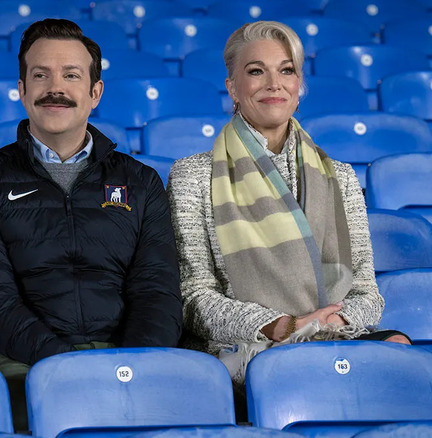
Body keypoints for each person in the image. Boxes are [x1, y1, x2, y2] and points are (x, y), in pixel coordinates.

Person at [0, 18, 183, 432]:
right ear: (22, 89)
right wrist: (70, 368)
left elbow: (158, 293)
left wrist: (129, 367)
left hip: (129, 363)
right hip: (19, 367)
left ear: (95, 93)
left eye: (71, 75)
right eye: (40, 75)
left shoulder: (141, 182)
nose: (55, 88)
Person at [167, 21, 409, 387]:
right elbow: (194, 298)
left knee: (398, 348)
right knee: (288, 369)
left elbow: (365, 290)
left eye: (286, 70)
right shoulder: (193, 176)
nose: (273, 83)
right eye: (255, 72)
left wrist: (328, 323)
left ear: (298, 89)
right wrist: (284, 326)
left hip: (330, 334)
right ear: (232, 87)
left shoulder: (340, 176)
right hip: (245, 344)